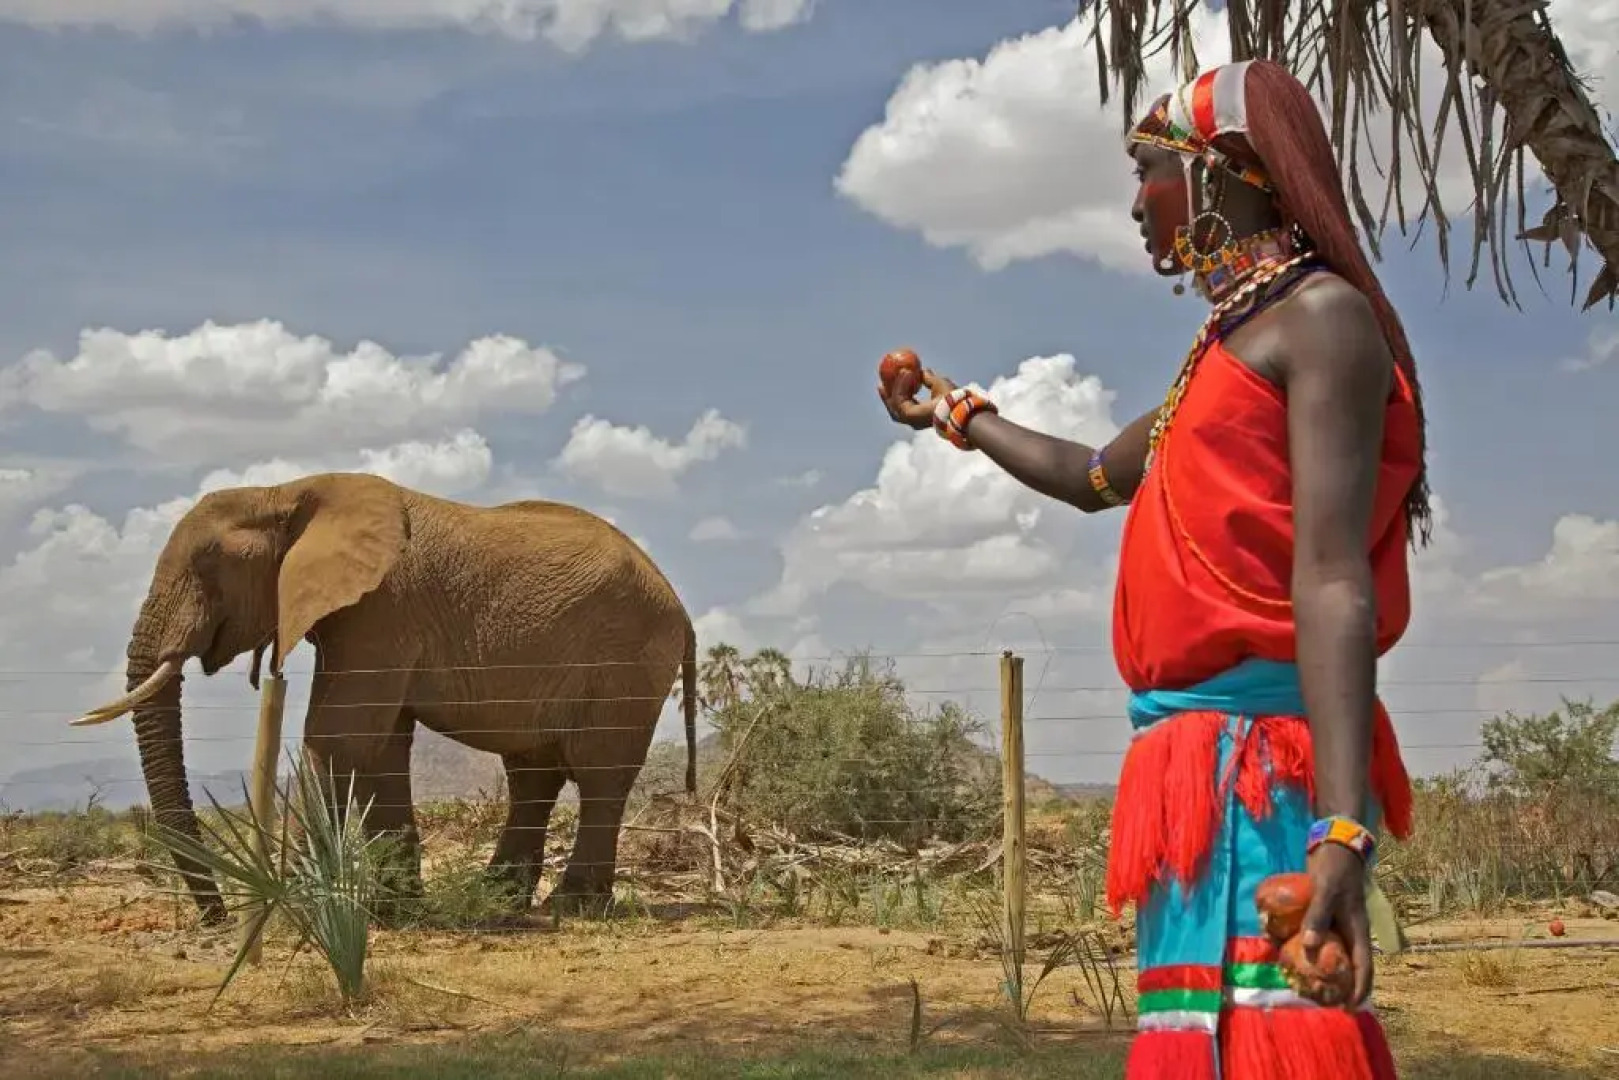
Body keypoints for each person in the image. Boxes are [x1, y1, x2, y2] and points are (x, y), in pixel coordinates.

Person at [878, 59, 1424, 1079]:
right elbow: (1091, 475)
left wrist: (1339, 833)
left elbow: (1331, 578)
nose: (1135, 205)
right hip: (1184, 768)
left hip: (1267, 765)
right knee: (1199, 1037)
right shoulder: (1221, 351)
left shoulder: (1320, 322)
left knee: (1276, 1037)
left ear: (1225, 173)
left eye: (1148, 171)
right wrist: (958, 416)